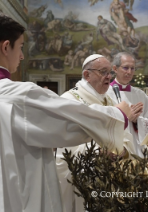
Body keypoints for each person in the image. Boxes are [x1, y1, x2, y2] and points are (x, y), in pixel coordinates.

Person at [0, 11, 132, 212]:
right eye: (20, 47)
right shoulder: (16, 95)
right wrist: (118, 114)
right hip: (15, 201)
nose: (22, 56)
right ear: (6, 46)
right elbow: (70, 121)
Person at [56, 54, 135, 212]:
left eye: (110, 73)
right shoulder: (70, 100)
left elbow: (124, 133)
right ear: (87, 75)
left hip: (110, 177)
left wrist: (123, 151)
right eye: (103, 72)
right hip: (82, 178)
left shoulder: (109, 100)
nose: (109, 77)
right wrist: (98, 152)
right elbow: (64, 143)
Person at [107, 52, 148, 157]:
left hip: (137, 147)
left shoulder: (140, 94)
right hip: (115, 149)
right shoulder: (106, 92)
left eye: (132, 68)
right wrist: (125, 116)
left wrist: (137, 121)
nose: (129, 72)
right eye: (125, 68)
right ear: (115, 69)